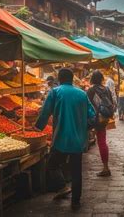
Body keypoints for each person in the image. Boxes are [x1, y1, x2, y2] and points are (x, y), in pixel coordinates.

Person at [35, 68, 95, 210]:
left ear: (59, 79)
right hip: (78, 141)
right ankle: (76, 202)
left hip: (61, 139)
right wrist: (84, 128)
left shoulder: (55, 92)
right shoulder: (82, 94)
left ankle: (62, 186)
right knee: (76, 172)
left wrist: (38, 127)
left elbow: (45, 112)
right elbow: (93, 116)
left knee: (52, 165)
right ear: (72, 78)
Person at [87, 70, 115, 177]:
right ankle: (105, 166)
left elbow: (87, 105)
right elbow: (111, 103)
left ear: (92, 79)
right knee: (102, 141)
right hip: (104, 118)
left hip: (94, 119)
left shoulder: (91, 90)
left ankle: (106, 168)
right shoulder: (106, 89)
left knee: (100, 142)